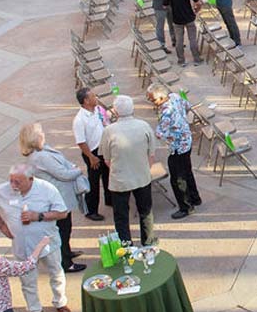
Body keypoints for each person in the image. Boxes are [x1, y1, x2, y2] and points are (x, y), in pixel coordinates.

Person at [0, 165, 70, 312]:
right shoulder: (2, 191)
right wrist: (2, 226)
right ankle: (34, 310)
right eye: (11, 181)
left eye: (18, 182)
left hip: (47, 243)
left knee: (56, 273)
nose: (13, 185)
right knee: (27, 280)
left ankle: (60, 303)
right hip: (22, 246)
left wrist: (38, 216)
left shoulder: (47, 189)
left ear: (31, 179)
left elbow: (62, 212)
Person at [19, 123, 87, 273]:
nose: (43, 134)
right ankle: (66, 262)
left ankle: (66, 252)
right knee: (63, 229)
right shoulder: (41, 156)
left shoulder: (40, 152)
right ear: (34, 138)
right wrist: (78, 171)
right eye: (40, 133)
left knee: (65, 227)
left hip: (58, 196)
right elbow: (63, 174)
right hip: (59, 198)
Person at [99, 95, 157, 245]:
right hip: (142, 176)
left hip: (120, 179)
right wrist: (144, 168)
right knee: (145, 212)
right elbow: (151, 154)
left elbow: (107, 159)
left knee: (121, 216)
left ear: (116, 112)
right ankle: (148, 243)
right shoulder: (144, 126)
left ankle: (126, 247)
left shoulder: (109, 131)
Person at [147, 83, 201, 220]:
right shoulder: (174, 96)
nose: (152, 102)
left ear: (161, 97)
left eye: (153, 99)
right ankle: (195, 198)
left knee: (178, 179)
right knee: (187, 171)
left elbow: (159, 133)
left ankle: (186, 207)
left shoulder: (166, 112)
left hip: (178, 147)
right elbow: (188, 106)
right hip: (186, 140)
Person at [72, 87, 109, 221]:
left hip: (104, 148)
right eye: (93, 96)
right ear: (86, 101)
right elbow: (81, 142)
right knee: (94, 181)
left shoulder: (97, 110)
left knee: (107, 175)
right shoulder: (80, 119)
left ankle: (109, 199)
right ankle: (91, 210)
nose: (96, 98)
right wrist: (91, 157)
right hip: (92, 152)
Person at [164, 0, 202, 66]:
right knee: (192, 39)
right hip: (189, 17)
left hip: (177, 19)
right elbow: (198, 2)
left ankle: (181, 60)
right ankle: (196, 59)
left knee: (179, 41)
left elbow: (164, 5)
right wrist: (196, 10)